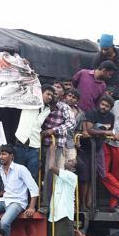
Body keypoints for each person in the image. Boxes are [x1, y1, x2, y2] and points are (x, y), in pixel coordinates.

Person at [85, 94, 119, 209]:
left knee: (101, 174)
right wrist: (106, 133)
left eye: (106, 106)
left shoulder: (111, 116)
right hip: (86, 149)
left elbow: (110, 131)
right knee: (89, 176)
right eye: (102, 104)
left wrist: (108, 134)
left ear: (110, 108)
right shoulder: (92, 112)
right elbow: (90, 130)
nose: (103, 107)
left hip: (100, 147)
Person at [39, 86, 77, 215]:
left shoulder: (63, 106)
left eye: (56, 92)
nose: (53, 95)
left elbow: (71, 123)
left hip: (55, 144)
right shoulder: (43, 105)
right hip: (38, 143)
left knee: (49, 173)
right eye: (51, 92)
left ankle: (45, 205)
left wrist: (53, 131)